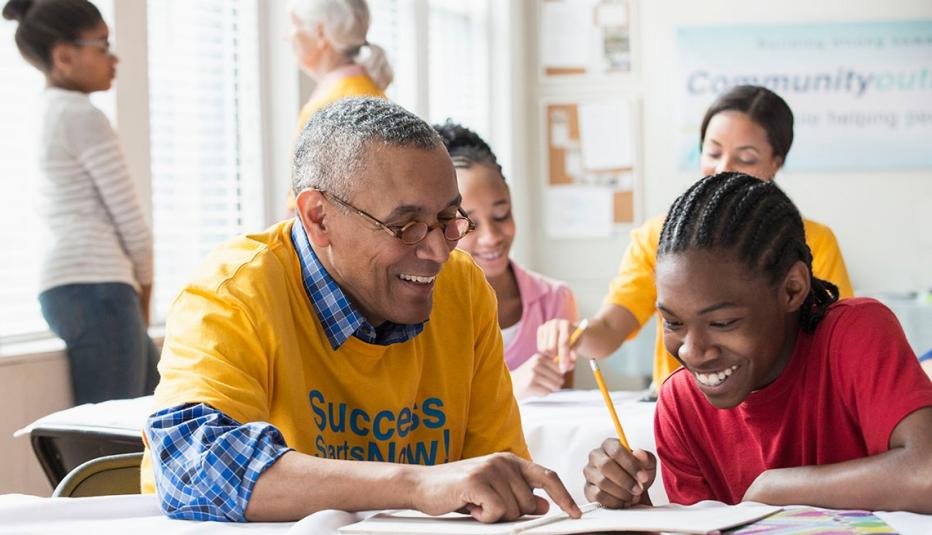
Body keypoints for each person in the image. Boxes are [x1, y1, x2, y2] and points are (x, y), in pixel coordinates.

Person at [141, 98, 581, 523]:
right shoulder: (234, 293)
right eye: (405, 226)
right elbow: (190, 467)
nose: (438, 252)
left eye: (449, 220)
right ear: (319, 217)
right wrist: (416, 485)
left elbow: (494, 476)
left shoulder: (463, 288)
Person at [583, 173, 932, 513]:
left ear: (792, 288)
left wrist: (775, 489)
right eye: (673, 322)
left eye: (722, 322)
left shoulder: (854, 334)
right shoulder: (681, 404)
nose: (691, 351)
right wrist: (636, 512)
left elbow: (925, 473)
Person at [538, 85, 854, 391]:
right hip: (682, 421)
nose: (723, 168)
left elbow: (832, 346)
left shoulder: (813, 242)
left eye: (745, 158)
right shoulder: (660, 237)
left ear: (777, 162)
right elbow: (609, 330)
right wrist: (575, 335)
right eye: (713, 151)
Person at [3, 0, 158, 404]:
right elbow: (131, 224)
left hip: (68, 288)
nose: (115, 58)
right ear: (64, 55)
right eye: (102, 46)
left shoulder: (43, 113)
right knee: (112, 438)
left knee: (143, 418)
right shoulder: (81, 116)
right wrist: (143, 295)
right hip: (98, 289)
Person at [434, 120, 578, 400]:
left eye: (501, 215)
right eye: (470, 224)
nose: (491, 237)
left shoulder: (554, 299)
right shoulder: (422, 308)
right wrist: (508, 387)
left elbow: (563, 410)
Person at [285, 0, 393, 216]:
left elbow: (305, 209)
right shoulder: (371, 90)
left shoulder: (327, 107)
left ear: (321, 33)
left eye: (294, 24)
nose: (287, 36)